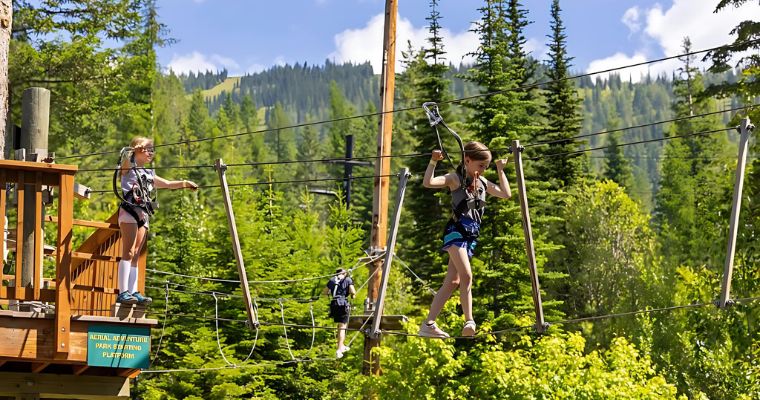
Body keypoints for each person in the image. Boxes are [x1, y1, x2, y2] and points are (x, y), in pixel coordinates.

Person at [418, 141, 511, 338]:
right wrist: (433, 161)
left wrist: (500, 171)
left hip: (469, 238)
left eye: (486, 167)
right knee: (466, 276)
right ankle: (469, 320)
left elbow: (506, 194)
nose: (483, 170)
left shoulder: (483, 184)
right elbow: (429, 182)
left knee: (452, 281)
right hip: (456, 232)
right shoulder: (455, 179)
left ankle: (428, 324)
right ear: (467, 160)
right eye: (480, 166)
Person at [116, 136, 198, 305]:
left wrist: (185, 183)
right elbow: (125, 161)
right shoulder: (128, 169)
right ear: (138, 150)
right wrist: (132, 150)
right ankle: (122, 291)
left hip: (143, 215)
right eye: (148, 149)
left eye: (153, 149)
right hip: (130, 212)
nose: (151, 153)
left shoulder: (148, 173)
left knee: (136, 254)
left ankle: (133, 291)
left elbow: (167, 183)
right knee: (128, 251)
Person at [325, 268, 356, 358]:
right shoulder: (347, 279)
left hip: (334, 304)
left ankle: (341, 345)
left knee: (339, 326)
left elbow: (325, 292)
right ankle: (339, 349)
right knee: (342, 327)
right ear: (345, 273)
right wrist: (353, 295)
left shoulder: (332, 280)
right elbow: (353, 291)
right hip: (342, 304)